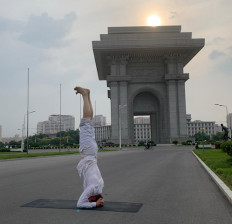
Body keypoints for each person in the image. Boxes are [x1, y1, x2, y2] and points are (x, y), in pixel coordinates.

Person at [74, 86, 104, 208]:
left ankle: (88, 95)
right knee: (85, 122)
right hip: (88, 151)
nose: (88, 198)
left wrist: (99, 200)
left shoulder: (100, 185)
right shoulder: (92, 188)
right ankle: (85, 95)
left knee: (89, 122)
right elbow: (80, 204)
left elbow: (97, 194)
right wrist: (95, 204)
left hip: (92, 152)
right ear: (93, 197)